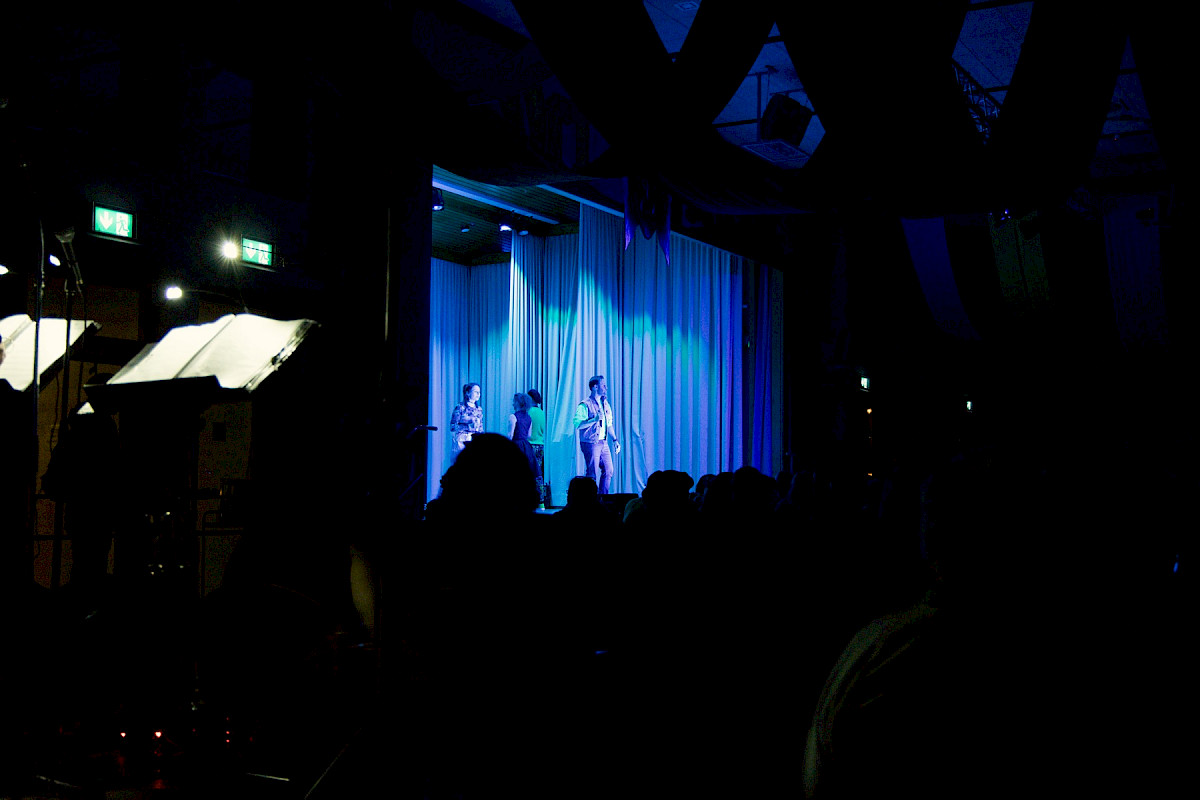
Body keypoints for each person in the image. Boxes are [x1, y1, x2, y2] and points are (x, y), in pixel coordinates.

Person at [573, 374, 620, 494]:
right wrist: (593, 420)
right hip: (590, 442)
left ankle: (602, 497)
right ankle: (591, 499)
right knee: (592, 473)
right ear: (595, 387)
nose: (606, 388)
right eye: (603, 385)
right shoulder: (585, 404)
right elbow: (578, 424)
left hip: (603, 442)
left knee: (609, 470)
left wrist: (615, 440)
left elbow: (609, 424)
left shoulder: (605, 404)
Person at [507, 391, 540, 488]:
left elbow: (510, 435)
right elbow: (529, 435)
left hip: (516, 445)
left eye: (514, 401)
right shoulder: (529, 417)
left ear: (518, 403)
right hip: (526, 446)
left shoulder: (513, 416)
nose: (513, 403)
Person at [449, 382, 483, 455]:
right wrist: (467, 421)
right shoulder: (461, 407)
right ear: (468, 393)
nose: (478, 394)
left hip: (474, 439)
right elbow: (453, 426)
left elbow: (480, 427)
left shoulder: (479, 409)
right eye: (475, 392)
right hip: (461, 439)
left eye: (479, 392)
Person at [526, 389, 546, 508]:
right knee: (538, 473)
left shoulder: (528, 412)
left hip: (530, 445)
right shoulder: (541, 412)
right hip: (540, 444)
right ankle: (541, 501)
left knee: (527, 473)